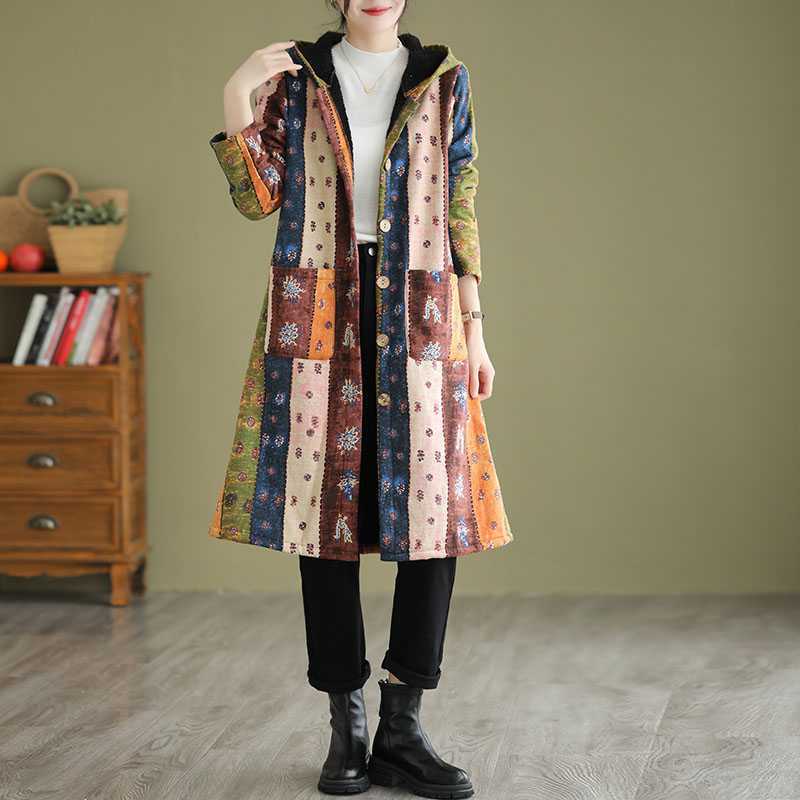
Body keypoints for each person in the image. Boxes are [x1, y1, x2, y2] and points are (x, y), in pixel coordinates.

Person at [209, 1, 513, 796]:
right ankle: (345, 726)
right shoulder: (298, 78)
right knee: (321, 515)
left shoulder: (444, 79)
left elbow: (462, 205)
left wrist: (476, 330)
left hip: (421, 304)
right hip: (322, 303)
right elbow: (257, 197)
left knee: (435, 515)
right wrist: (238, 94)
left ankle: (402, 729)